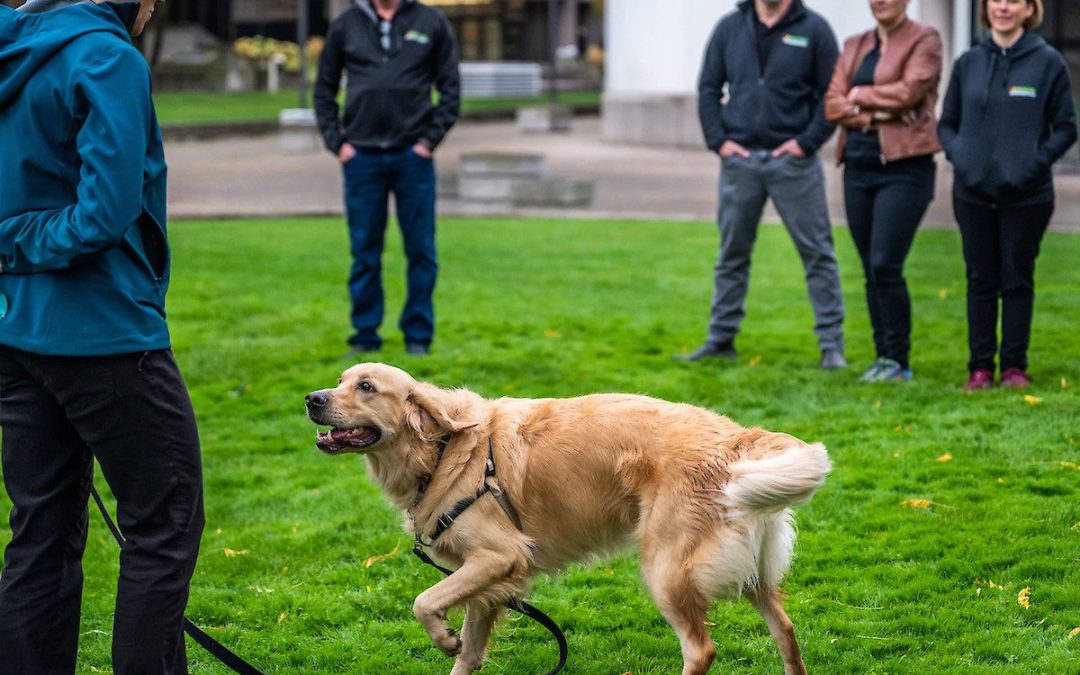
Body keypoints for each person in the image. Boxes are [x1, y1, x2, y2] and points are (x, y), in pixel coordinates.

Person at [0, 1, 205, 673]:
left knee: (40, 535)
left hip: (16, 331)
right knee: (165, 524)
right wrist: (22, 236)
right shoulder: (108, 55)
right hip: (106, 332)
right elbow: (106, 211)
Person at [684, 0, 846, 369]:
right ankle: (720, 339)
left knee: (818, 253)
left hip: (794, 164)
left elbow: (831, 96)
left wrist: (805, 143)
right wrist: (720, 142)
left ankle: (831, 346)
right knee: (731, 255)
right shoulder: (729, 27)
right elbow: (708, 89)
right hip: (740, 162)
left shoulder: (814, 29)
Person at [939, 0, 1077, 390]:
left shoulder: (1047, 62)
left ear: (1029, 9)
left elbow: (1066, 128)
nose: (1003, 6)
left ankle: (1014, 366)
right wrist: (962, 158)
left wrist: (1034, 163)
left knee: (1017, 279)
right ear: (986, 8)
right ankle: (980, 368)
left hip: (1028, 196)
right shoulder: (969, 63)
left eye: (1014, 0)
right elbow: (947, 124)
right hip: (972, 194)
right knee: (980, 279)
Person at [315, 0, 460, 357]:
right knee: (365, 252)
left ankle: (418, 337)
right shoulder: (346, 24)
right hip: (361, 158)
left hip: (413, 157)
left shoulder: (431, 21)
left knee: (421, 250)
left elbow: (451, 89)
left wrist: (428, 143)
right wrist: (338, 143)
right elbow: (324, 89)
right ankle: (365, 336)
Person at [825, 0, 943, 382]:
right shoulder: (854, 44)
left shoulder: (925, 39)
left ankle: (897, 360)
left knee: (885, 264)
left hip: (904, 168)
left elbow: (910, 93)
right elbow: (831, 103)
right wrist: (875, 110)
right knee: (870, 270)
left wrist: (857, 96)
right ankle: (882, 357)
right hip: (858, 167)